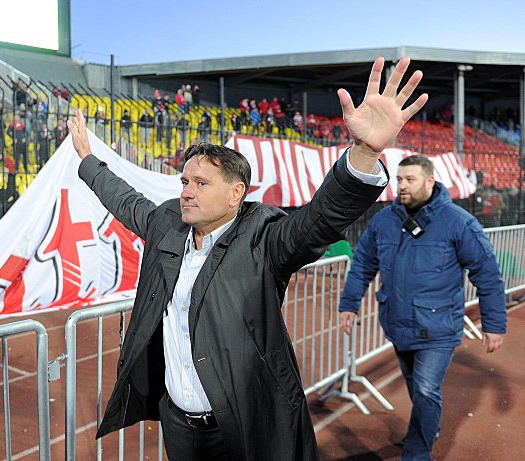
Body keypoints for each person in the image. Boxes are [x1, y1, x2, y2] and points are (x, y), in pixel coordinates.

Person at [66, 56, 428, 461]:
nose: (186, 192)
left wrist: (364, 152)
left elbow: (320, 219)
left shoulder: (264, 237)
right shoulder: (167, 224)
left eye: (201, 183)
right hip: (178, 425)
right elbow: (125, 200)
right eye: (185, 181)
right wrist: (87, 159)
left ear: (235, 194)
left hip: (244, 426)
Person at [338, 154, 507, 461]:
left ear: (430, 181)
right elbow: (363, 263)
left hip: (439, 327)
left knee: (426, 390)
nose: (402, 186)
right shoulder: (384, 221)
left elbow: (487, 273)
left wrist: (494, 324)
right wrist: (349, 303)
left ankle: (417, 452)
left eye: (410, 180)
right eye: (399, 179)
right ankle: (428, 427)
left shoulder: (459, 222)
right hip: (398, 324)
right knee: (417, 388)